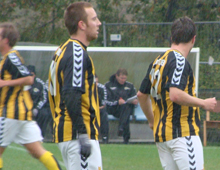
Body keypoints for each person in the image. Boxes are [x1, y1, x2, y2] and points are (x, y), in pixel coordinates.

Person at [137, 16, 217, 170]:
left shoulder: (157, 61)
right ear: (193, 39)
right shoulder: (179, 61)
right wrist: (204, 103)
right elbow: (175, 94)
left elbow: (141, 95)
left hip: (162, 137)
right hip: (182, 134)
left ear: (172, 37)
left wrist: (152, 121)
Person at [48, 2, 102, 170]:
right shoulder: (76, 53)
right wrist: (83, 135)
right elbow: (71, 94)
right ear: (82, 24)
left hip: (69, 133)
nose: (99, 23)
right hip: (76, 135)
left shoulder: (63, 50)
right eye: (94, 19)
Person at [0, 22, 62, 170]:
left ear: (6, 40)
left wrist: (4, 83)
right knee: (37, 151)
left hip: (10, 113)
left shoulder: (11, 58)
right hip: (22, 115)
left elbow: (29, 78)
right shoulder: (6, 59)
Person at [105, 68, 138, 144]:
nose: (123, 80)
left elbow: (135, 97)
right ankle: (125, 136)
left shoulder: (130, 86)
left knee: (126, 108)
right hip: (113, 109)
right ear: (117, 76)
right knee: (125, 111)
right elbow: (106, 101)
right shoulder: (108, 85)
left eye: (125, 78)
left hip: (126, 109)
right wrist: (117, 102)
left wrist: (134, 101)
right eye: (121, 78)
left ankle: (121, 129)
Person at [27, 65, 53, 138]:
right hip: (24, 108)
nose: (30, 76)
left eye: (31, 74)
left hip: (37, 108)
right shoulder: (22, 83)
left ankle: (40, 136)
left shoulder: (40, 84)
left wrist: (36, 108)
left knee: (44, 114)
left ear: (34, 74)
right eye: (28, 74)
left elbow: (44, 98)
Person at [95, 74, 109, 144]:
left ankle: (105, 137)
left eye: (97, 82)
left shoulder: (102, 88)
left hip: (99, 108)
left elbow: (103, 103)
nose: (96, 84)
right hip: (89, 109)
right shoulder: (85, 88)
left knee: (103, 114)